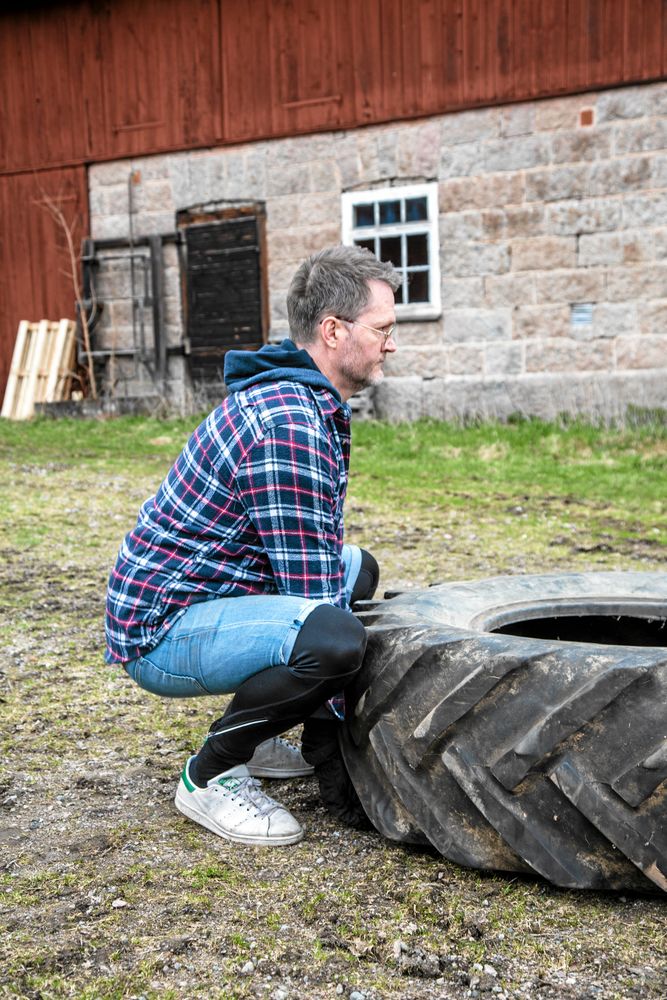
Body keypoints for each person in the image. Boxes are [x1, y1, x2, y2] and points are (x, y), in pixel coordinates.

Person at [104, 244, 400, 846]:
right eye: (382, 330)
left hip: (213, 588)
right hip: (162, 628)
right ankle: (210, 776)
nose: (391, 344)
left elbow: (320, 557)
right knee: (336, 639)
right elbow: (311, 595)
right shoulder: (288, 422)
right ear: (334, 331)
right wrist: (331, 743)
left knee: (357, 571)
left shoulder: (303, 397)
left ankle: (263, 737)